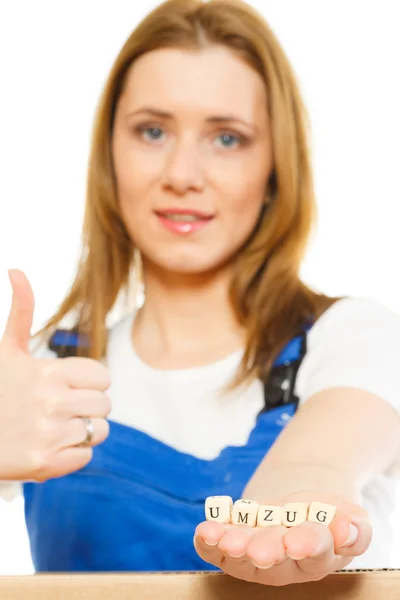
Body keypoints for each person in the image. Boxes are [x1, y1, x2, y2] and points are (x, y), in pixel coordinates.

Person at [1, 0, 400, 586]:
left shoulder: (353, 339)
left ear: (274, 167)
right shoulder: (39, 377)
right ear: (110, 154)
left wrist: (291, 509)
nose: (183, 173)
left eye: (228, 138)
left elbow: (319, 458)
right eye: (153, 131)